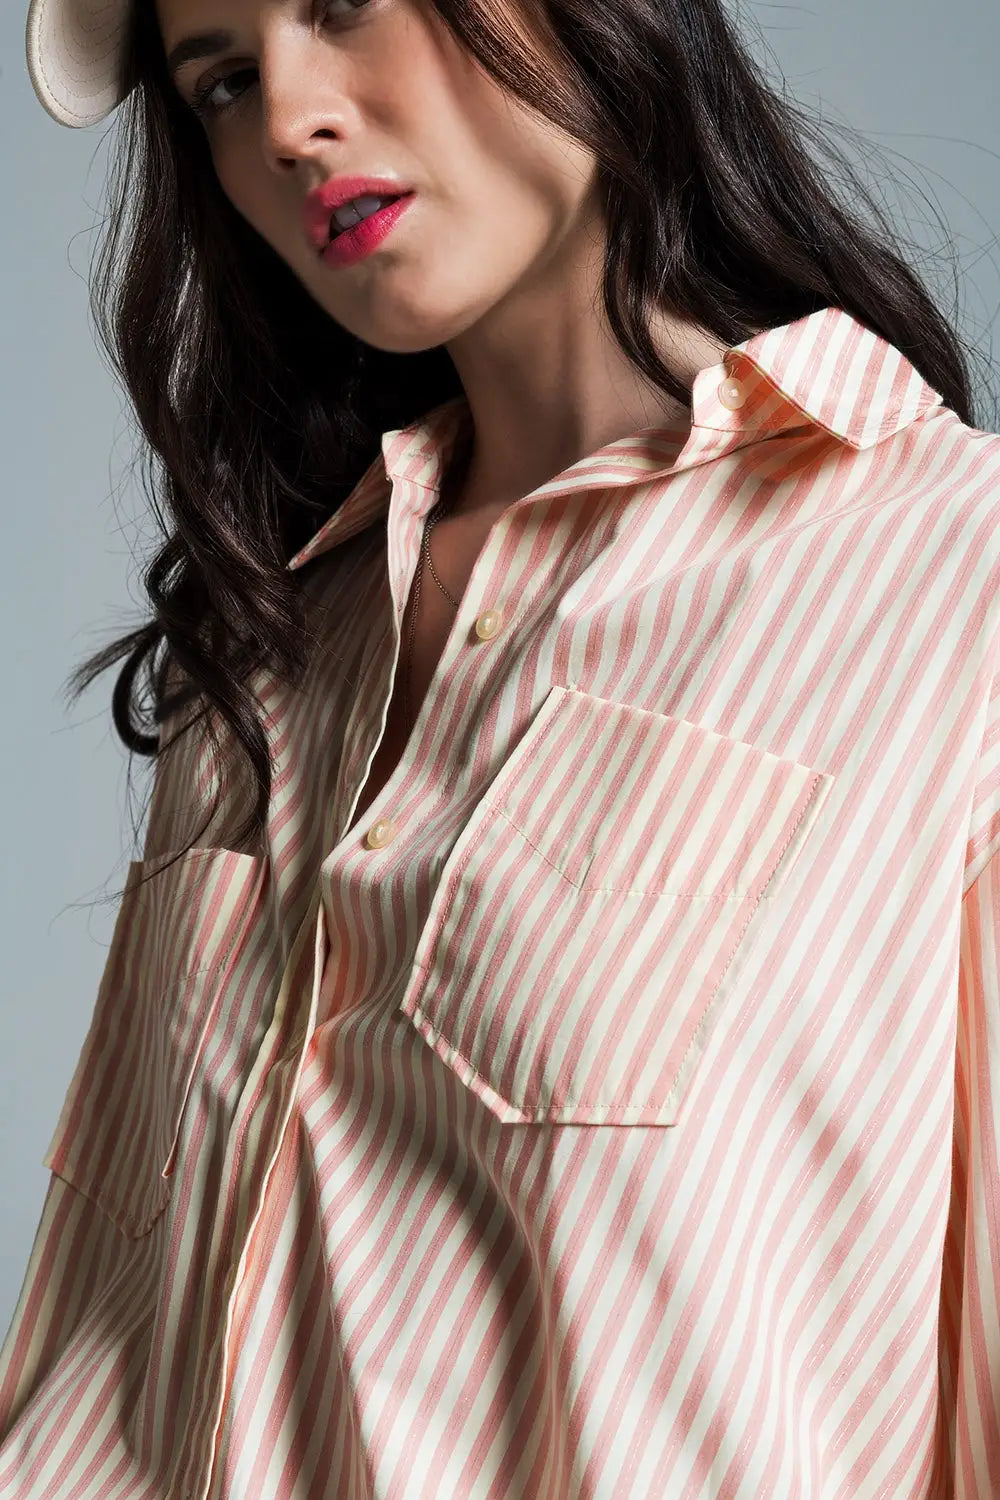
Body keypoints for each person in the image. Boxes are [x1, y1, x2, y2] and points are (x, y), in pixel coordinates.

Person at [3, 0, 999, 1494]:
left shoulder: (957, 585)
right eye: (221, 82)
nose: (286, 124)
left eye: (342, 6)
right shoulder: (265, 647)